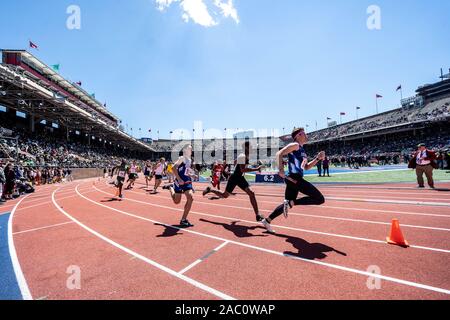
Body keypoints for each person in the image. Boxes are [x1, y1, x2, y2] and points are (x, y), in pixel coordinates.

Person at [261, 128, 326, 233]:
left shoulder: (302, 150)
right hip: (294, 178)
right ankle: (293, 202)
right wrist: (281, 169)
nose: (306, 135)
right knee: (319, 199)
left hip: (294, 179)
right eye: (304, 133)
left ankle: (267, 220)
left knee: (286, 204)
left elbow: (306, 167)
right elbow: (279, 153)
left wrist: (317, 159)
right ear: (298, 135)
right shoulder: (295, 145)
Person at [203, 141, 264, 222]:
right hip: (235, 178)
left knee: (251, 193)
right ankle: (210, 190)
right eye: (251, 146)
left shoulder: (245, 156)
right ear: (246, 148)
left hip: (240, 178)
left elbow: (236, 162)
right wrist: (256, 168)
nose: (252, 148)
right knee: (225, 195)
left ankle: (257, 215)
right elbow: (243, 169)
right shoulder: (243, 156)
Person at [162, 145, 196, 228]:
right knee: (177, 202)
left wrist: (191, 175)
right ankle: (171, 188)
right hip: (179, 182)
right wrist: (179, 179)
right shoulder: (182, 158)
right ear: (185, 150)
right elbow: (173, 168)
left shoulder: (189, 160)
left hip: (187, 182)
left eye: (191, 149)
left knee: (191, 197)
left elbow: (186, 171)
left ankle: (183, 220)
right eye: (189, 148)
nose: (191, 150)